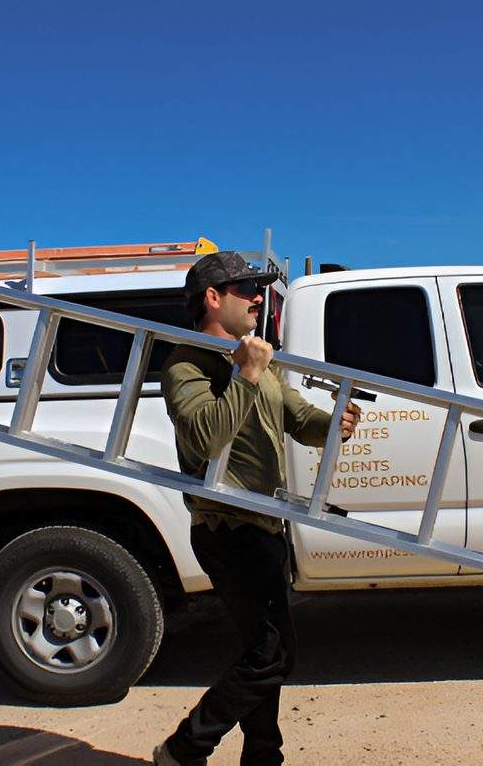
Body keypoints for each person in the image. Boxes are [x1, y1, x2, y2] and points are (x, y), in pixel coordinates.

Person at [153, 251, 359, 766]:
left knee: (260, 653)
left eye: (258, 288)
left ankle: (263, 757)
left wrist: (335, 423)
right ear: (212, 298)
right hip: (228, 528)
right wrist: (245, 374)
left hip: (266, 524)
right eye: (245, 289)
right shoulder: (186, 363)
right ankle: (184, 749)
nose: (258, 297)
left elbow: (299, 418)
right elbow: (204, 436)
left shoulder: (259, 360)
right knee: (274, 655)